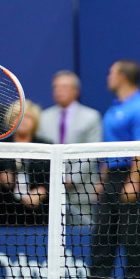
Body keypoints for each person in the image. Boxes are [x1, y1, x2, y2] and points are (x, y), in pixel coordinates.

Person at [80, 59, 140, 279]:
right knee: (102, 235)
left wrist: (134, 181)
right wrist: (103, 179)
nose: (107, 76)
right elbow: (110, 148)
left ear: (123, 77)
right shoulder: (115, 108)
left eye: (111, 72)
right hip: (112, 176)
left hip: (133, 176)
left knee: (130, 235)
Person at [37, 71, 102, 227]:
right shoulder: (43, 118)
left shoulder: (91, 117)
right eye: (56, 87)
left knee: (83, 239)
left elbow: (91, 154)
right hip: (51, 194)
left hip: (82, 192)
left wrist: (70, 179)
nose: (59, 90)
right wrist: (53, 180)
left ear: (75, 91)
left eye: (64, 87)